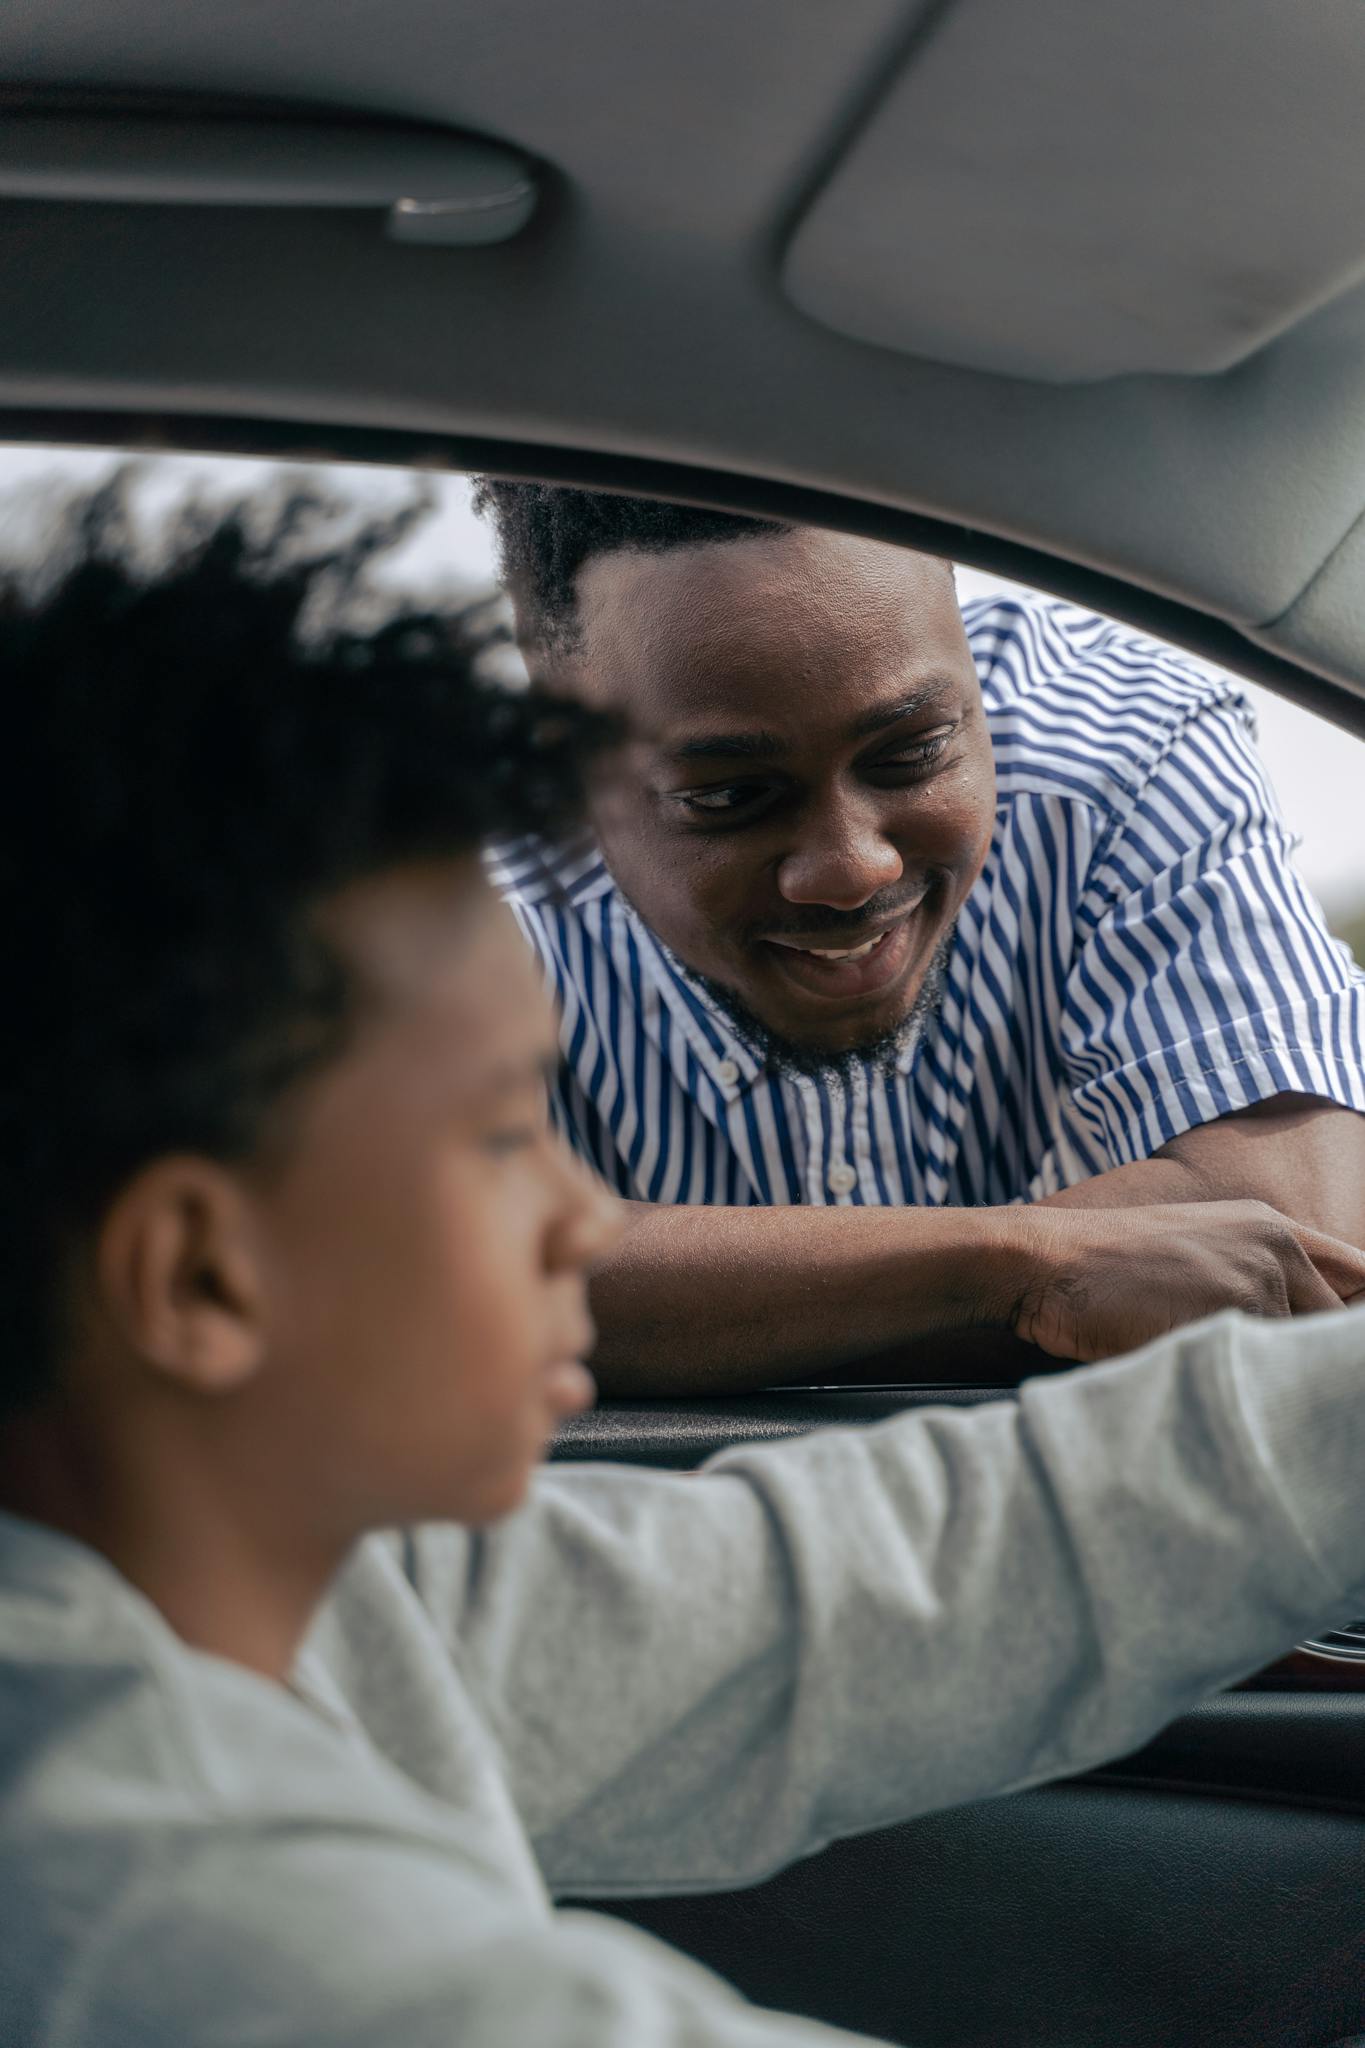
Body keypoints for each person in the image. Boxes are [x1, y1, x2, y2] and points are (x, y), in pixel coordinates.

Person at [5, 476, 1365, 2048]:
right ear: (196, 1280)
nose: (589, 1226)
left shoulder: (299, 1598)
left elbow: (865, 1596)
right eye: (502, 1137)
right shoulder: (182, 1937)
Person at [475, 485, 1365, 1392]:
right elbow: (390, 1277)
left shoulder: (1123, 749)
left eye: (911, 752)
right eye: (729, 797)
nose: (851, 868)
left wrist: (644, 1304)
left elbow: (1291, 1234)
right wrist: (1014, 1271)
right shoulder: (426, 870)